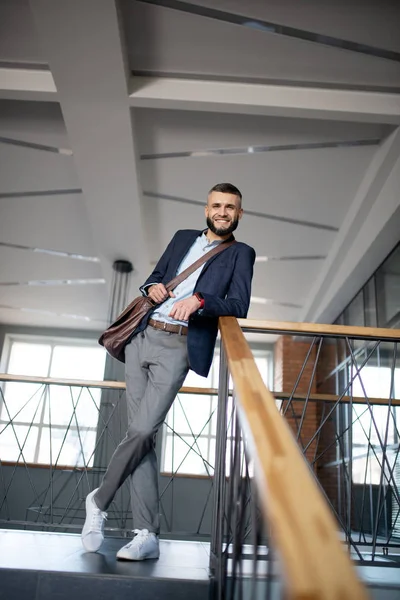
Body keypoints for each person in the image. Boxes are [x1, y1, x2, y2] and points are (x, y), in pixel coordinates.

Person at [81, 183, 255, 560]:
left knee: (143, 429)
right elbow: (154, 276)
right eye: (217, 205)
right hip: (142, 337)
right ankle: (146, 534)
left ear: (239, 214)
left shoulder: (241, 253)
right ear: (206, 208)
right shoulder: (182, 238)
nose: (223, 211)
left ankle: (99, 499)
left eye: (230, 207)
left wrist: (200, 300)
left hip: (178, 346)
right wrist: (155, 287)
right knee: (140, 438)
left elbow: (239, 303)